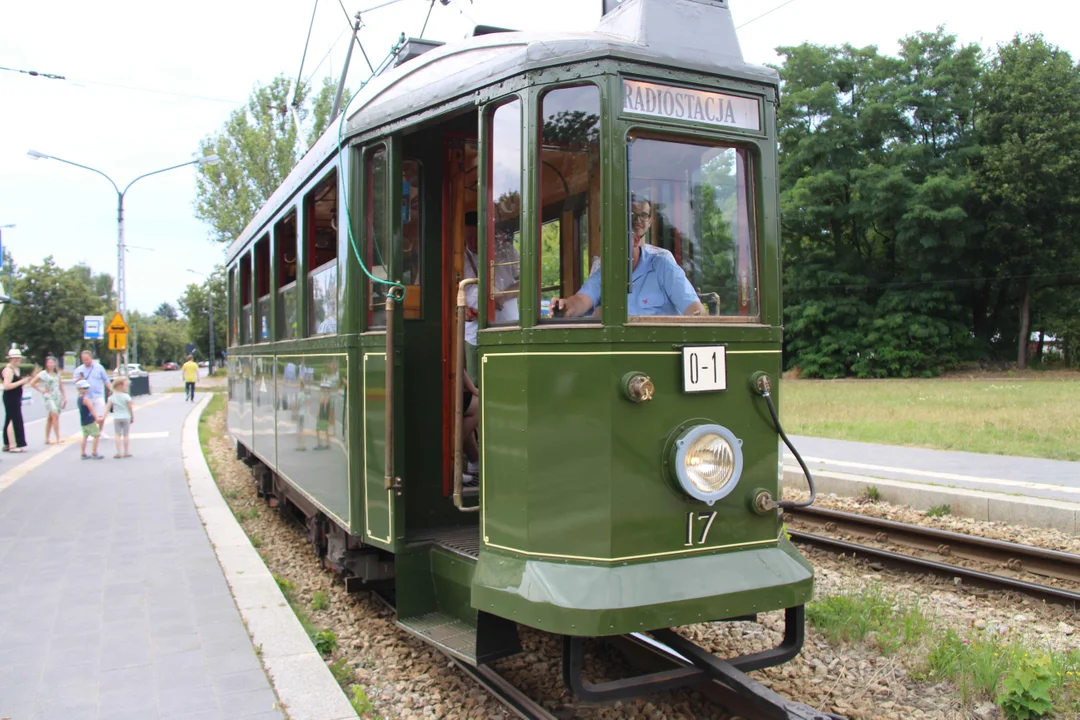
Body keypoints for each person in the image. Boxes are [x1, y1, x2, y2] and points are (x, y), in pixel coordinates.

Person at [552, 197, 706, 318]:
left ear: (635, 240)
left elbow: (695, 312)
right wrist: (565, 307)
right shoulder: (605, 273)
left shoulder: (663, 266)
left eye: (620, 239)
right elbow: (581, 300)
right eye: (608, 241)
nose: (612, 247)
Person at [2, 345, 36, 453]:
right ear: (10, 359)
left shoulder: (16, 369)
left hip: (16, 396)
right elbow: (6, 386)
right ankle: (12, 445)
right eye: (15, 358)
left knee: (11, 419)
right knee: (13, 419)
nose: (18, 360)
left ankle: (8, 443)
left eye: (19, 358)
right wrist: (21, 382)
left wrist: (23, 383)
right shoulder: (8, 370)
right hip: (10, 397)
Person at [72, 351, 113, 437]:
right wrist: (79, 378)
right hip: (86, 397)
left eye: (87, 359)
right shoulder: (79, 370)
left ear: (91, 358)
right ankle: (91, 432)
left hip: (98, 395)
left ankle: (100, 431)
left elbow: (106, 380)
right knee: (89, 416)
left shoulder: (99, 368)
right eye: (83, 360)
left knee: (101, 414)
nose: (86, 361)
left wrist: (111, 389)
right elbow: (74, 382)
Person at [31, 355, 66, 445]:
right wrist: (41, 390)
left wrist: (64, 397)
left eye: (52, 362)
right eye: (49, 362)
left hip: (57, 396)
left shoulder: (57, 374)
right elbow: (32, 382)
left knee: (51, 418)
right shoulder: (43, 374)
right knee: (55, 415)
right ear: (46, 364)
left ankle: (47, 438)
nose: (51, 364)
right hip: (49, 396)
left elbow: (61, 386)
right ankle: (58, 437)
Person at [103, 376, 134, 458]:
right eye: (126, 386)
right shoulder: (126, 396)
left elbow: (107, 407)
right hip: (126, 416)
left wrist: (103, 416)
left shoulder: (112, 397)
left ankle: (118, 452)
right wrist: (132, 416)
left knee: (117, 434)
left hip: (117, 417)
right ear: (121, 386)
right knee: (126, 434)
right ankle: (126, 451)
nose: (127, 387)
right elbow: (130, 407)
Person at [76, 380, 104, 460]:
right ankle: (94, 452)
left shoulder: (79, 398)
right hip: (89, 419)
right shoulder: (85, 399)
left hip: (83, 420)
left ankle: (83, 453)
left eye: (87, 388)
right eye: (84, 388)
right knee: (96, 434)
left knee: (85, 436)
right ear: (79, 389)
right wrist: (96, 418)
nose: (86, 390)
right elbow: (91, 409)